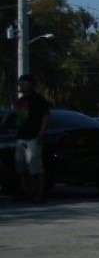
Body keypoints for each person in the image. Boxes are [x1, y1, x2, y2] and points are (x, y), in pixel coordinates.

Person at [13, 73, 50, 201]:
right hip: (20, 138)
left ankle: (39, 193)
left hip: (33, 137)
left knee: (35, 167)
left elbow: (45, 117)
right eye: (20, 83)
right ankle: (25, 192)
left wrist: (41, 133)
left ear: (31, 85)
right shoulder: (20, 100)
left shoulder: (39, 100)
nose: (21, 86)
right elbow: (17, 117)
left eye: (24, 83)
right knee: (21, 167)